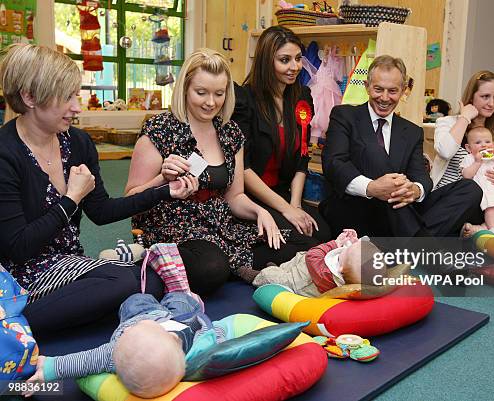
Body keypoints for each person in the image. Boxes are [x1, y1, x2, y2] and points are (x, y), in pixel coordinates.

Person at [0, 44, 197, 335]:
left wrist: (164, 190)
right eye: (66, 97)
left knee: (152, 277)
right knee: (122, 283)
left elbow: (102, 211)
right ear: (29, 97)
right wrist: (71, 198)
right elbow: (18, 248)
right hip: (23, 276)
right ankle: (16, 322)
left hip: (71, 263)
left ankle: (82, 308)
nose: (77, 107)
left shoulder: (77, 143)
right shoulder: (5, 153)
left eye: (75, 95)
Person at [125, 48, 292, 295]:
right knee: (211, 268)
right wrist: (162, 179)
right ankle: (149, 258)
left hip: (219, 225)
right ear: (184, 89)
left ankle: (230, 265)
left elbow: (234, 197)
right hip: (173, 229)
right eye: (201, 93)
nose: (210, 102)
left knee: (296, 240)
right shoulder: (159, 129)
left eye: (219, 94)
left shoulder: (231, 132)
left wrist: (260, 212)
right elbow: (130, 199)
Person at [320, 55, 482, 237]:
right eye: (378, 89)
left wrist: (414, 190)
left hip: (400, 212)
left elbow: (421, 176)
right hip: (357, 207)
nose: (384, 97)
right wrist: (372, 187)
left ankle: (414, 246)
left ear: (403, 90)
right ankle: (420, 246)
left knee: (471, 190)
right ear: (367, 87)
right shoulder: (344, 116)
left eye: (392, 91)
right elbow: (334, 164)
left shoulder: (412, 131)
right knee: (390, 184)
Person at [233, 25, 330, 245]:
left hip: (284, 194)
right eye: (284, 60)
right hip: (252, 199)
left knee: (323, 234)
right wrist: (286, 210)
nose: (294, 67)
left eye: (298, 59)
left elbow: (302, 158)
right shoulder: (245, 100)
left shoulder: (301, 97)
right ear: (267, 62)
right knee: (307, 244)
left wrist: (295, 206)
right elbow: (243, 169)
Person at [25, 292, 210, 398]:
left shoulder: (118, 354)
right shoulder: (195, 348)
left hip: (137, 316)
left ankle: (160, 301)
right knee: (182, 301)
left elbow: (85, 360)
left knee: (136, 300)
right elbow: (211, 330)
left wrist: (48, 369)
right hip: (176, 319)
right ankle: (177, 296)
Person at [430, 70, 494, 236]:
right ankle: (489, 228)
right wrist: (465, 118)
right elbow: (445, 151)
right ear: (471, 97)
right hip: (455, 199)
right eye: (485, 96)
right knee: (472, 189)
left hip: (491, 200)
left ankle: (479, 229)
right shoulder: (446, 122)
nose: (491, 103)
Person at [252, 229, 381, 297]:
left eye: (347, 250)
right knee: (290, 264)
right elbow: (355, 257)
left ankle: (254, 275)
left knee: (271, 277)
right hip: (304, 266)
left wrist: (335, 243)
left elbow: (312, 255)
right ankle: (278, 268)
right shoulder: (350, 270)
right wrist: (353, 241)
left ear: (340, 269)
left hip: (299, 282)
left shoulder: (327, 275)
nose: (346, 247)